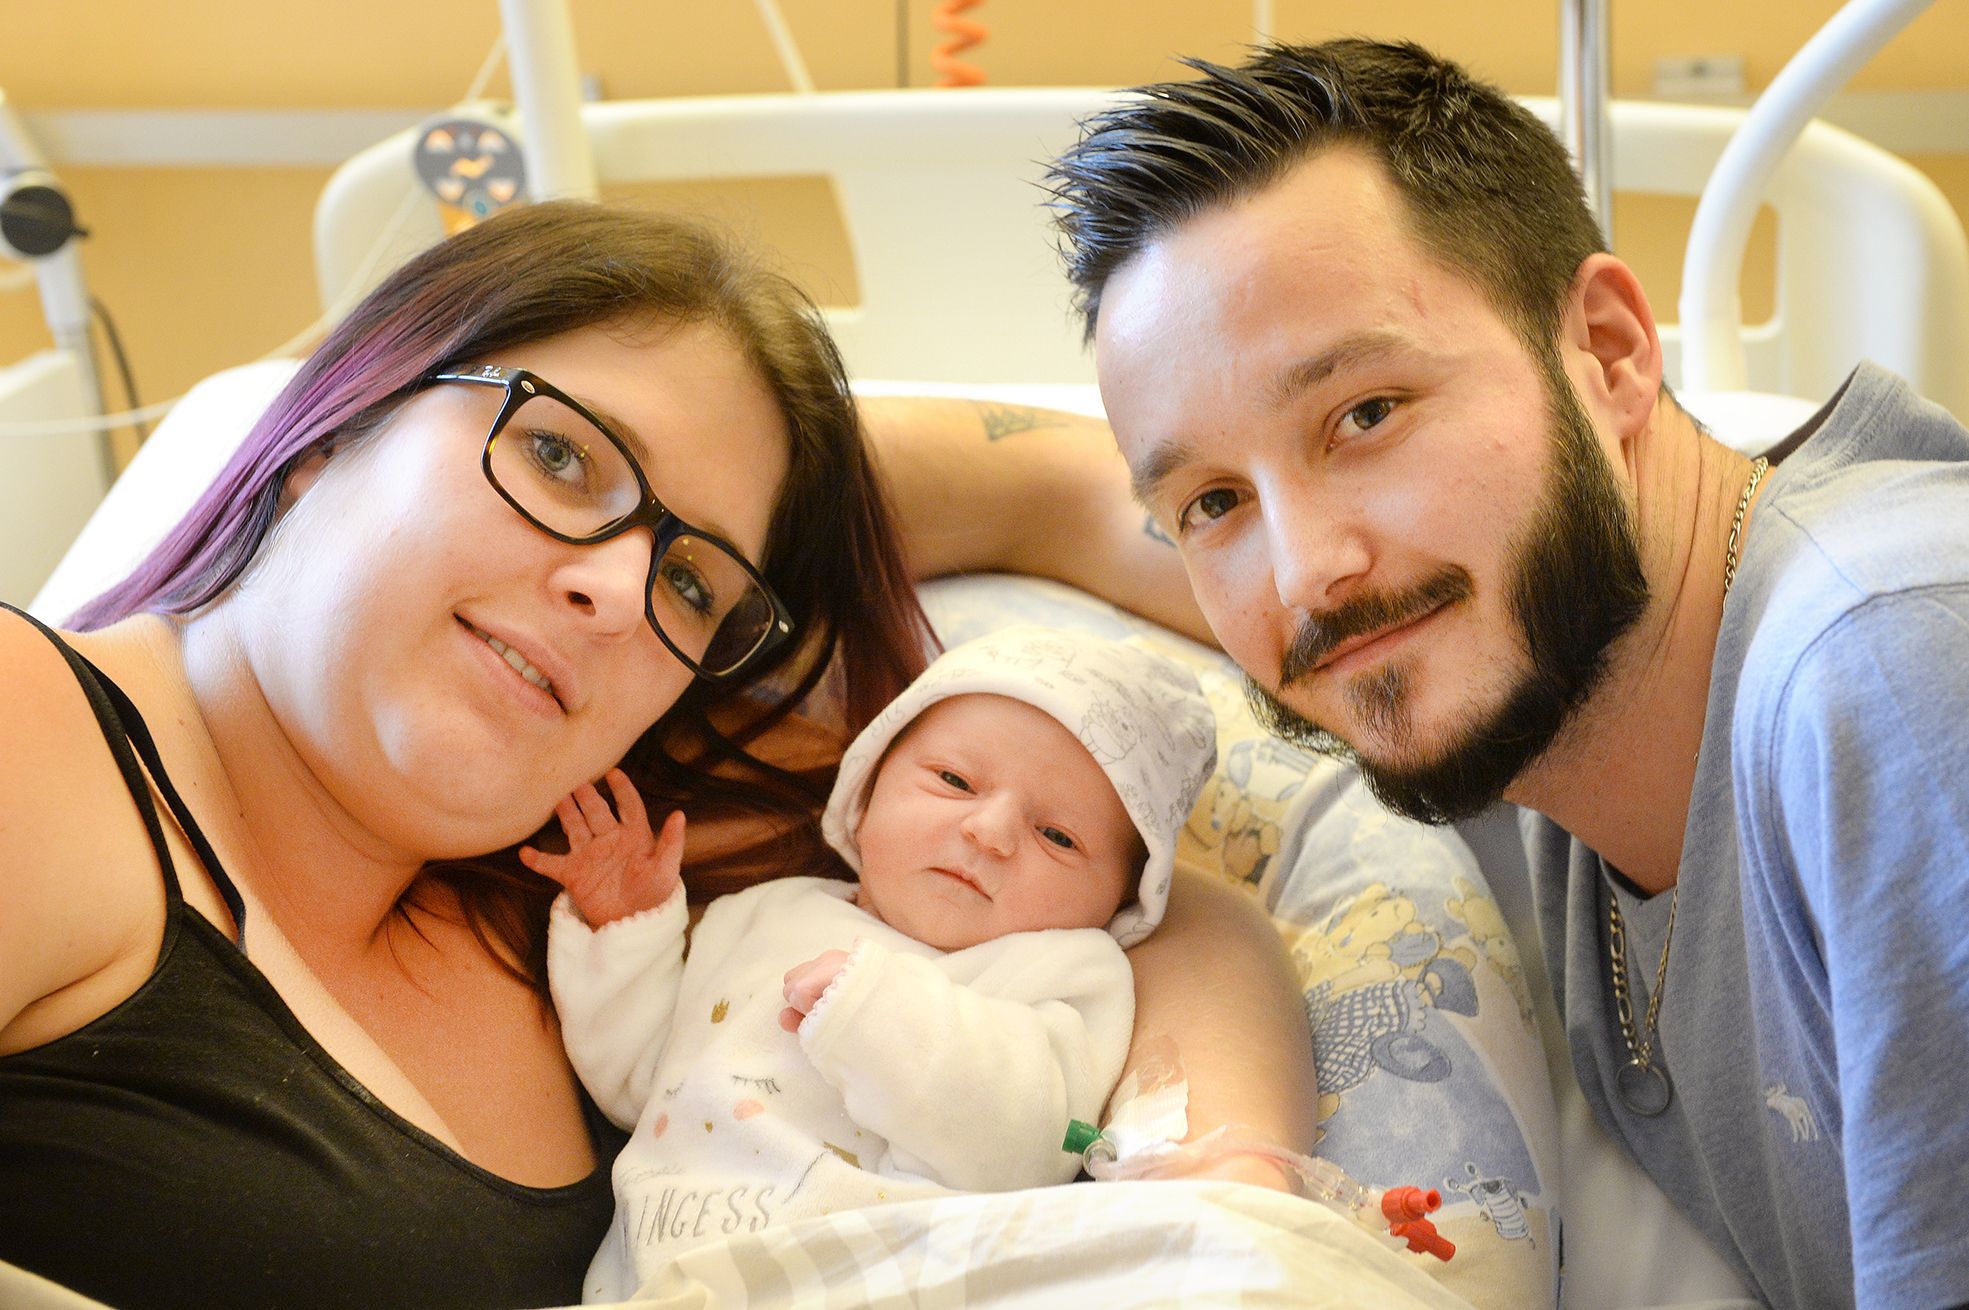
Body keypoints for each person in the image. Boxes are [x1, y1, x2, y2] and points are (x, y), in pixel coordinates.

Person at [0, 202, 1315, 1310]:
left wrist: (1230, 1202)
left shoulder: (599, 874)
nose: (621, 591)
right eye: (563, 456)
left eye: (692, 583)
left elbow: (1158, 893)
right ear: (331, 428)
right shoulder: (35, 738)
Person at [1032, 37, 1969, 1310]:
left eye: (1364, 415)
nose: (1308, 571)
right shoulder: (1565, 703)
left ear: (1609, 349)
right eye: (1212, 501)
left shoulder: (1891, 670)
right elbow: (1026, 493)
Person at [528, 625, 1217, 1299]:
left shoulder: (1067, 973)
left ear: (1120, 903)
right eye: (953, 779)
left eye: (1058, 836)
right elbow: (638, 1079)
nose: (991, 831)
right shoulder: (766, 911)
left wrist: (878, 1014)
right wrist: (626, 931)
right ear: (864, 794)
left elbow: (1026, 1143)